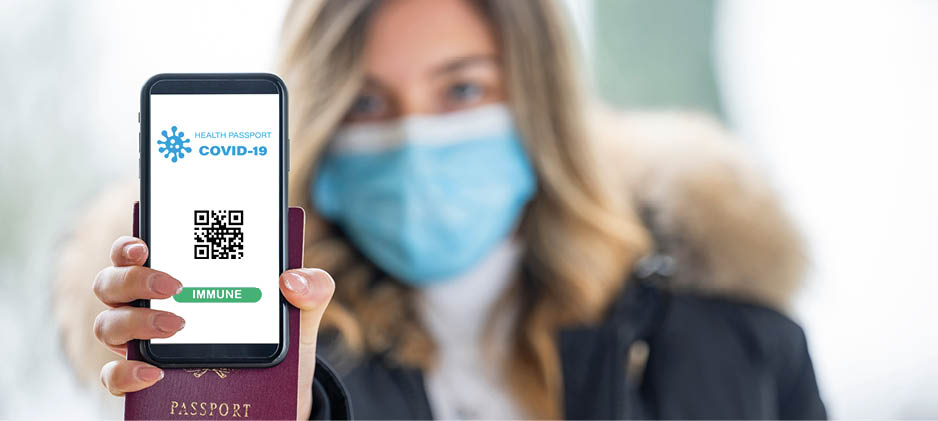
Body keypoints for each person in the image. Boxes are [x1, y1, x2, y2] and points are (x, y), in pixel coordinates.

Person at [55, 0, 826, 418]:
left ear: (539, 104)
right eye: (364, 101)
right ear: (317, 131)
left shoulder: (742, 350)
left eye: (462, 89)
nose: (413, 138)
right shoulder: (285, 372)